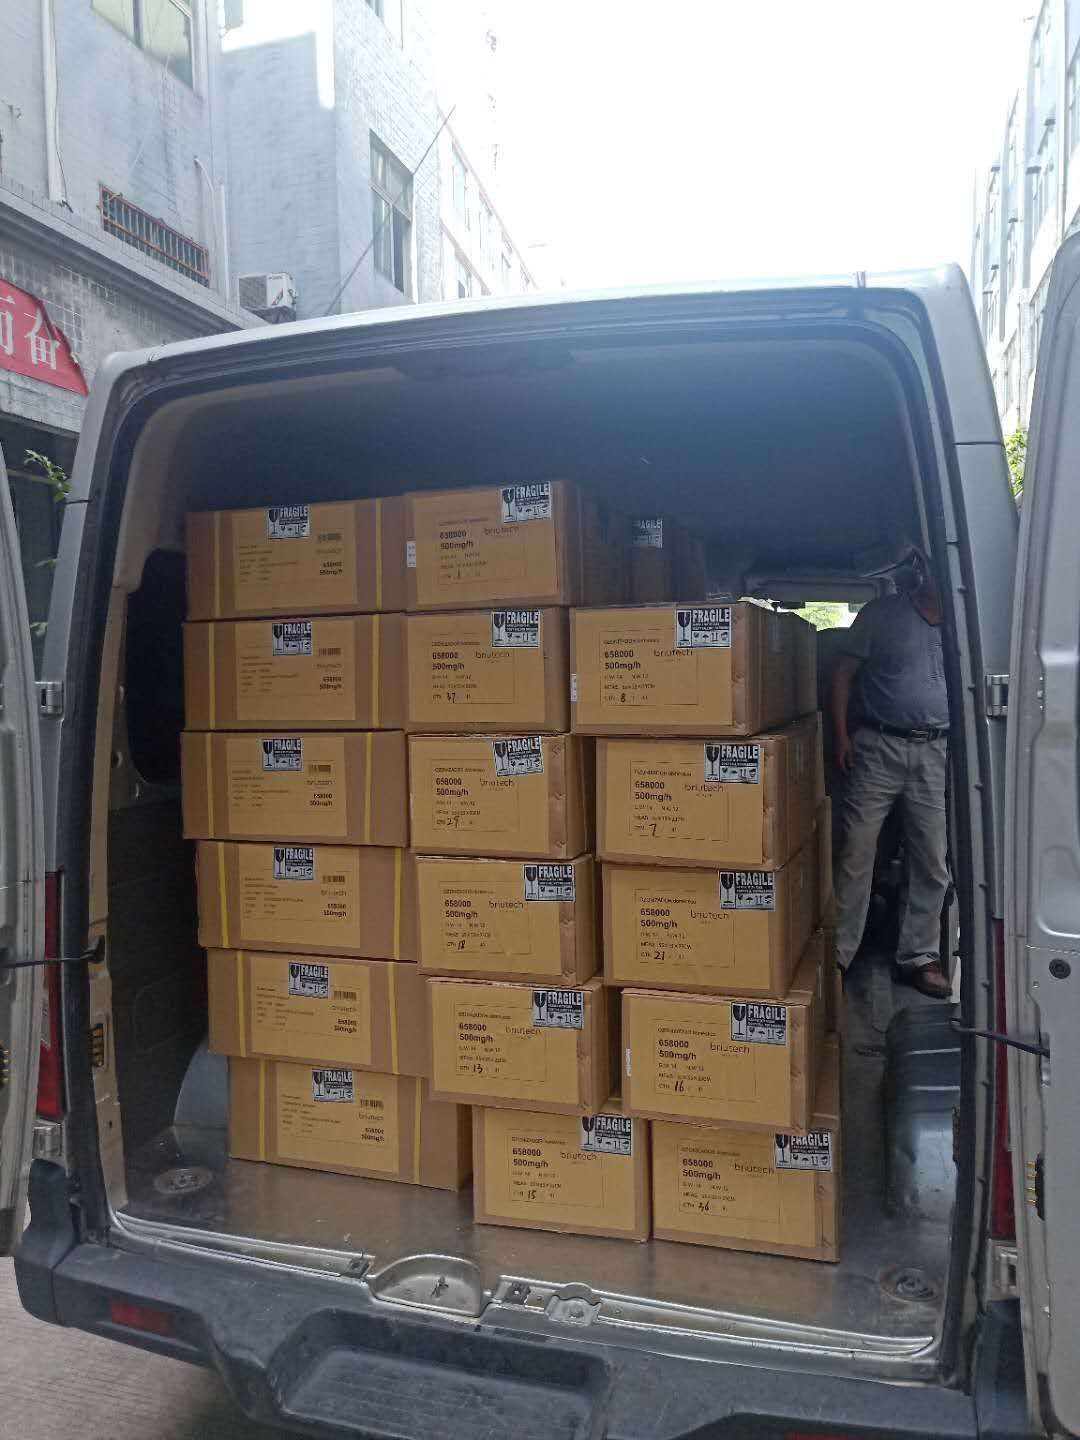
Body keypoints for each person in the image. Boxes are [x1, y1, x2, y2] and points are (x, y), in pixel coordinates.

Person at [831, 547, 952, 1000]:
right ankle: (839, 955)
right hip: (878, 747)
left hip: (934, 751)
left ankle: (919, 957)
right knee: (857, 852)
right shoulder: (880, 614)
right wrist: (841, 736)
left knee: (933, 860)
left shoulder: (963, 622)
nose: (938, 576)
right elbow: (842, 674)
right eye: (933, 566)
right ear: (921, 568)